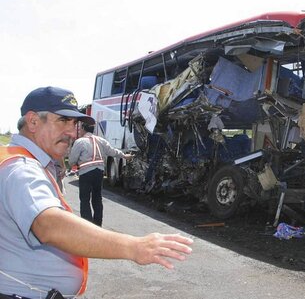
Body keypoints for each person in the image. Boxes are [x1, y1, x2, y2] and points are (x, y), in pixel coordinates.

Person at [0, 86, 193, 299]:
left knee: (91, 200)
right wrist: (134, 246)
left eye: (74, 124)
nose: (72, 132)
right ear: (33, 121)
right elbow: (49, 225)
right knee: (91, 200)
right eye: (63, 121)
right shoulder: (22, 169)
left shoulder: (24, 161)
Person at [68, 122, 132, 226]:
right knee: (97, 198)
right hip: (99, 172)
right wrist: (124, 156)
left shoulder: (79, 142)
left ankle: (87, 225)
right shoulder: (101, 140)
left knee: (85, 199)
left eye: (80, 129)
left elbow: (71, 161)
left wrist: (74, 163)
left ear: (84, 128)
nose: (79, 131)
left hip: (86, 172)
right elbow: (112, 151)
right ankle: (98, 224)